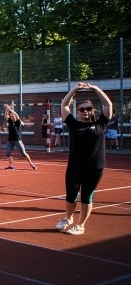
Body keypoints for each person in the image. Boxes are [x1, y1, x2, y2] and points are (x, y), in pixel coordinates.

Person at [55, 82, 112, 235]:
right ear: (78, 112)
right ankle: (68, 218)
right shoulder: (73, 124)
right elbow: (64, 106)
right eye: (81, 109)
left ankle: (81, 225)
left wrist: (96, 89)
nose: (85, 111)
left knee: (87, 196)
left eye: (88, 109)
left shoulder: (101, 124)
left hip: (95, 167)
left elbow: (108, 105)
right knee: (71, 196)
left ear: (92, 110)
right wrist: (74, 89)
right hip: (75, 166)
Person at [3, 106, 37, 170]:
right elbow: (6, 115)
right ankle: (11, 165)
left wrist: (10, 110)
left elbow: (16, 114)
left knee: (23, 153)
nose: (12, 117)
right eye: (11, 116)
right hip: (10, 140)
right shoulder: (10, 121)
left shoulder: (18, 122)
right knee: (8, 153)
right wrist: (7, 110)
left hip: (17, 140)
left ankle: (31, 163)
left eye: (13, 116)